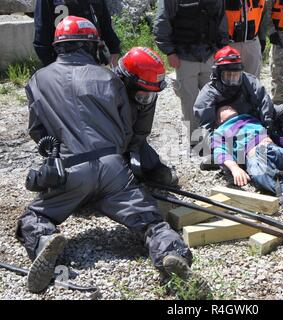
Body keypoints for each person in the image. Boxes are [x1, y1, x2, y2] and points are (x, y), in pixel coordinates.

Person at [17, 16, 206, 296]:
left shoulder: (37, 80)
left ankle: (45, 241)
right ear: (93, 46)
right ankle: (169, 253)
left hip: (70, 169)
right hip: (113, 168)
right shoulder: (109, 77)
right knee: (151, 222)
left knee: (34, 217)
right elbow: (126, 132)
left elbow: (38, 131)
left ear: (59, 46)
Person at [193, 45, 283, 169]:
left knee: (282, 111)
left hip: (252, 122)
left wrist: (267, 126)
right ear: (218, 73)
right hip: (228, 131)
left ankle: (280, 140)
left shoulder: (249, 80)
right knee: (204, 144)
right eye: (228, 75)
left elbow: (264, 102)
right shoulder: (208, 93)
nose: (233, 79)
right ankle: (226, 159)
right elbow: (206, 126)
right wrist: (214, 146)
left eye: (236, 75)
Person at [153, 0, 229, 145]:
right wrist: (169, 52)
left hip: (210, 54)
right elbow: (162, 23)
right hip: (183, 57)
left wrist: (222, 49)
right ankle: (196, 141)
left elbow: (221, 20)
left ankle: (214, 137)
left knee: (213, 99)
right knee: (189, 101)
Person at [114, 47, 178, 186]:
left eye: (151, 94)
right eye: (144, 93)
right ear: (127, 81)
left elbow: (141, 131)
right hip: (106, 150)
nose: (147, 97)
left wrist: (134, 158)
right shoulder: (107, 93)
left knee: (164, 177)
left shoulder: (148, 93)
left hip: (132, 143)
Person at [212, 105, 283, 207]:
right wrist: (235, 168)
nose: (228, 106)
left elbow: (274, 136)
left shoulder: (249, 118)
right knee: (262, 177)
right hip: (256, 155)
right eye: (224, 108)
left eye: (230, 106)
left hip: (274, 148)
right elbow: (220, 152)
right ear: (219, 121)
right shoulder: (220, 131)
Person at [33, 0, 121, 67]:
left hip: (92, 58)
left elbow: (105, 23)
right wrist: (51, 65)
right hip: (62, 59)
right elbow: (41, 34)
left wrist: (114, 49)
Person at [225, 0, 267, 77]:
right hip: (229, 45)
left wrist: (262, 38)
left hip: (252, 43)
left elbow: (263, 13)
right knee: (229, 83)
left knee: (252, 84)